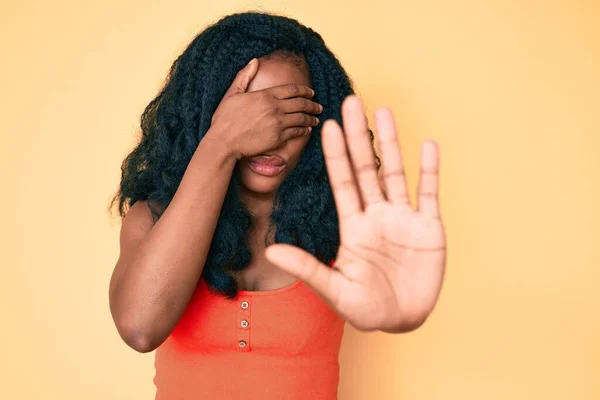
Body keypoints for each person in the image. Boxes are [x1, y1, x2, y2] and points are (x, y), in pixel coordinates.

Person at [108, 11, 446, 400]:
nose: (269, 141)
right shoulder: (151, 219)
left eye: (292, 120)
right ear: (209, 116)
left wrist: (401, 309)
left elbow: (388, 296)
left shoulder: (344, 226)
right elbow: (139, 327)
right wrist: (220, 143)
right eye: (250, 119)